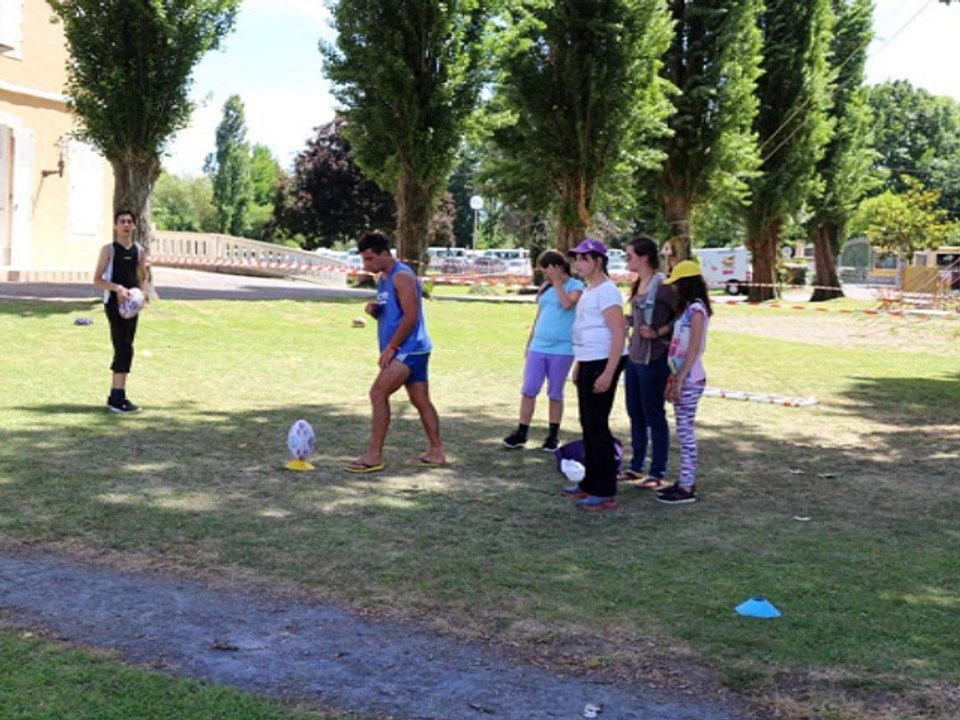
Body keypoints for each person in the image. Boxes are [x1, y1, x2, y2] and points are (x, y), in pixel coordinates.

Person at [347, 230, 445, 473]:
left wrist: (392, 347)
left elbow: (411, 317)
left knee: (378, 393)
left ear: (384, 254)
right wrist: (377, 309)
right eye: (363, 259)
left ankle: (374, 455)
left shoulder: (401, 276)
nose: (366, 265)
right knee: (420, 400)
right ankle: (436, 451)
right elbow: (397, 309)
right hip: (411, 349)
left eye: (369, 259)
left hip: (410, 349)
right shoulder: (383, 277)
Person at [560, 239, 627, 511]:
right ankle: (590, 482)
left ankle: (604, 489)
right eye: (577, 258)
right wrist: (579, 362)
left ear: (598, 260)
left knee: (598, 424)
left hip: (603, 361)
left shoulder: (608, 291)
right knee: (588, 422)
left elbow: (619, 333)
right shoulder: (590, 290)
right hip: (589, 360)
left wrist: (609, 372)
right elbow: (584, 327)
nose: (578, 263)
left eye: (584, 258)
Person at [503, 250, 584, 451]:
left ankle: (553, 435)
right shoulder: (546, 287)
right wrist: (529, 343)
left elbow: (567, 304)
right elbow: (539, 315)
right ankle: (522, 432)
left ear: (557, 266)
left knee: (555, 392)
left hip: (562, 348)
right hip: (539, 346)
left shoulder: (576, 286)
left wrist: (557, 281)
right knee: (529, 389)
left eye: (547, 269)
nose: (545, 274)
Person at [620, 236, 677, 489]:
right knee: (635, 412)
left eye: (629, 255)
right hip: (634, 357)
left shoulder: (663, 284)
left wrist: (659, 331)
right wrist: (629, 321)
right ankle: (636, 467)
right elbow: (641, 318)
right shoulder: (638, 283)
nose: (626, 260)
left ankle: (657, 471)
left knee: (654, 414)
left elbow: (685, 316)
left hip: (654, 359)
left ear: (644, 257)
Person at [659, 260, 712, 505]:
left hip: (690, 378)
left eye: (677, 283)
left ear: (686, 284)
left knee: (686, 432)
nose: (674, 288)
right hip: (682, 375)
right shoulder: (690, 309)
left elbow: (694, 348)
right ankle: (683, 480)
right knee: (682, 430)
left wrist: (680, 379)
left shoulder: (697, 311)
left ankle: (687, 486)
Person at [93, 209, 149, 414]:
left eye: (129, 222)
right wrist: (117, 289)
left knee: (128, 346)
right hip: (114, 304)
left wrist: (142, 296)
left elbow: (143, 277)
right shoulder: (109, 250)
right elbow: (97, 279)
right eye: (122, 221)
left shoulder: (139, 251)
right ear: (115, 226)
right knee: (122, 345)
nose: (126, 225)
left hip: (132, 306)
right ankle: (117, 397)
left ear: (134, 226)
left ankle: (118, 395)